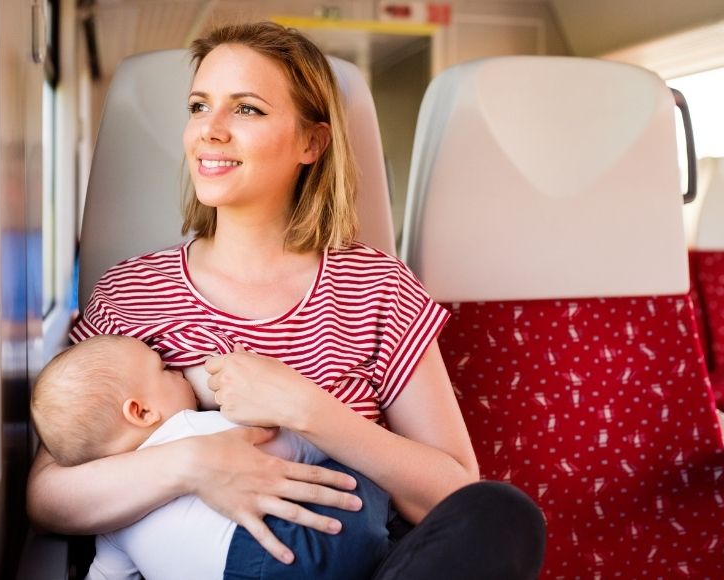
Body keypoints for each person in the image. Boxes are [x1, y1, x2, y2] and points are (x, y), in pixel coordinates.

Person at [27, 21, 545, 580]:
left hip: (366, 561)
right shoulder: (130, 292)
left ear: (311, 143)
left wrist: (309, 410)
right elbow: (49, 494)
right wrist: (192, 463)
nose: (211, 130)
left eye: (246, 109)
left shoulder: (378, 286)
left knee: (504, 513)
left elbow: (453, 496)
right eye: (200, 106)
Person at [30, 334, 389, 580]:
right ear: (141, 412)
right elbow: (288, 445)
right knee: (358, 479)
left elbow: (107, 575)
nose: (179, 372)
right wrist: (334, 442)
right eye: (164, 369)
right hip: (285, 553)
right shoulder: (192, 426)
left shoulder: (110, 517)